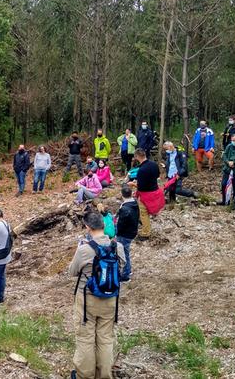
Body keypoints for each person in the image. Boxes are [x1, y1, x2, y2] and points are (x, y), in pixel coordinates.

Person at [68, 212, 126, 379]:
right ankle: (104, 375)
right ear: (103, 224)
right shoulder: (118, 247)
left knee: (86, 339)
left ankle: (84, 375)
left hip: (87, 300)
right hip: (110, 299)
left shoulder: (84, 249)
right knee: (105, 339)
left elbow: (73, 272)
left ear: (87, 227)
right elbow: (122, 267)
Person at [129, 149, 163, 240]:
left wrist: (133, 184)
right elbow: (157, 176)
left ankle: (145, 233)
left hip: (146, 194)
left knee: (144, 212)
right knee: (148, 210)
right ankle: (144, 223)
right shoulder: (154, 164)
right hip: (155, 190)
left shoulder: (142, 170)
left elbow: (141, 187)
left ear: (137, 157)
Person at [115, 185, 139, 282]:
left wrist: (117, 233)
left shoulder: (125, 209)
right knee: (126, 252)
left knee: (123, 254)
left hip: (125, 234)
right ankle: (128, 270)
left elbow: (121, 224)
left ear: (122, 195)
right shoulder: (135, 204)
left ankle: (125, 275)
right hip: (132, 231)